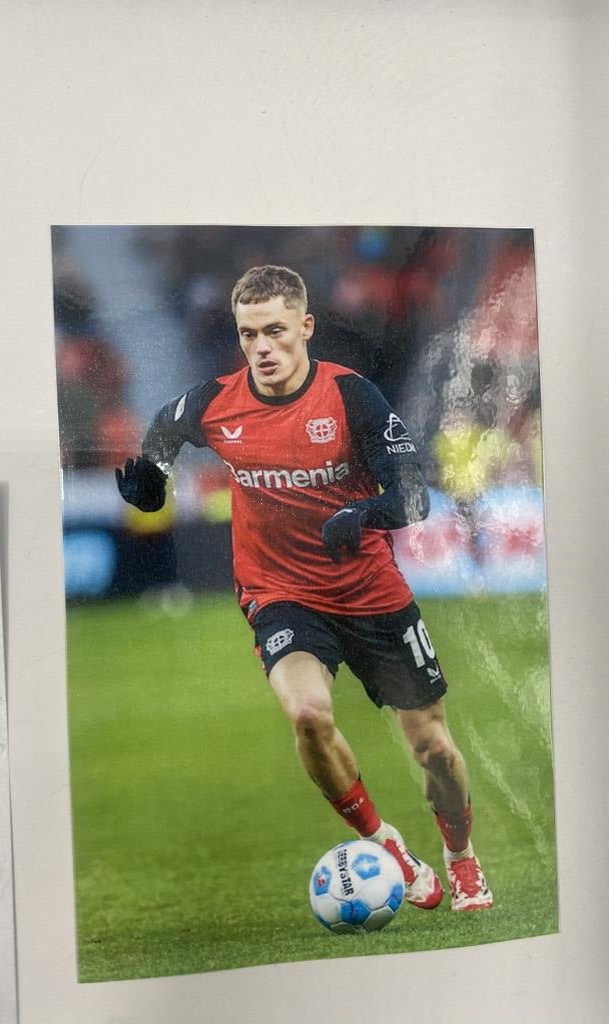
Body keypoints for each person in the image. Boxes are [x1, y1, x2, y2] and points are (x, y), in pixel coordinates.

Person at [116, 265, 492, 912]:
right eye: (248, 334)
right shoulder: (214, 402)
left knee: (433, 748)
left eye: (275, 331)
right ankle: (390, 848)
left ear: (305, 328)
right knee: (309, 715)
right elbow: (164, 431)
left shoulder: (352, 398)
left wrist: (364, 515)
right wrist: (151, 478)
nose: (262, 347)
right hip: (280, 593)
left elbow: (410, 493)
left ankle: (460, 857)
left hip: (371, 593)